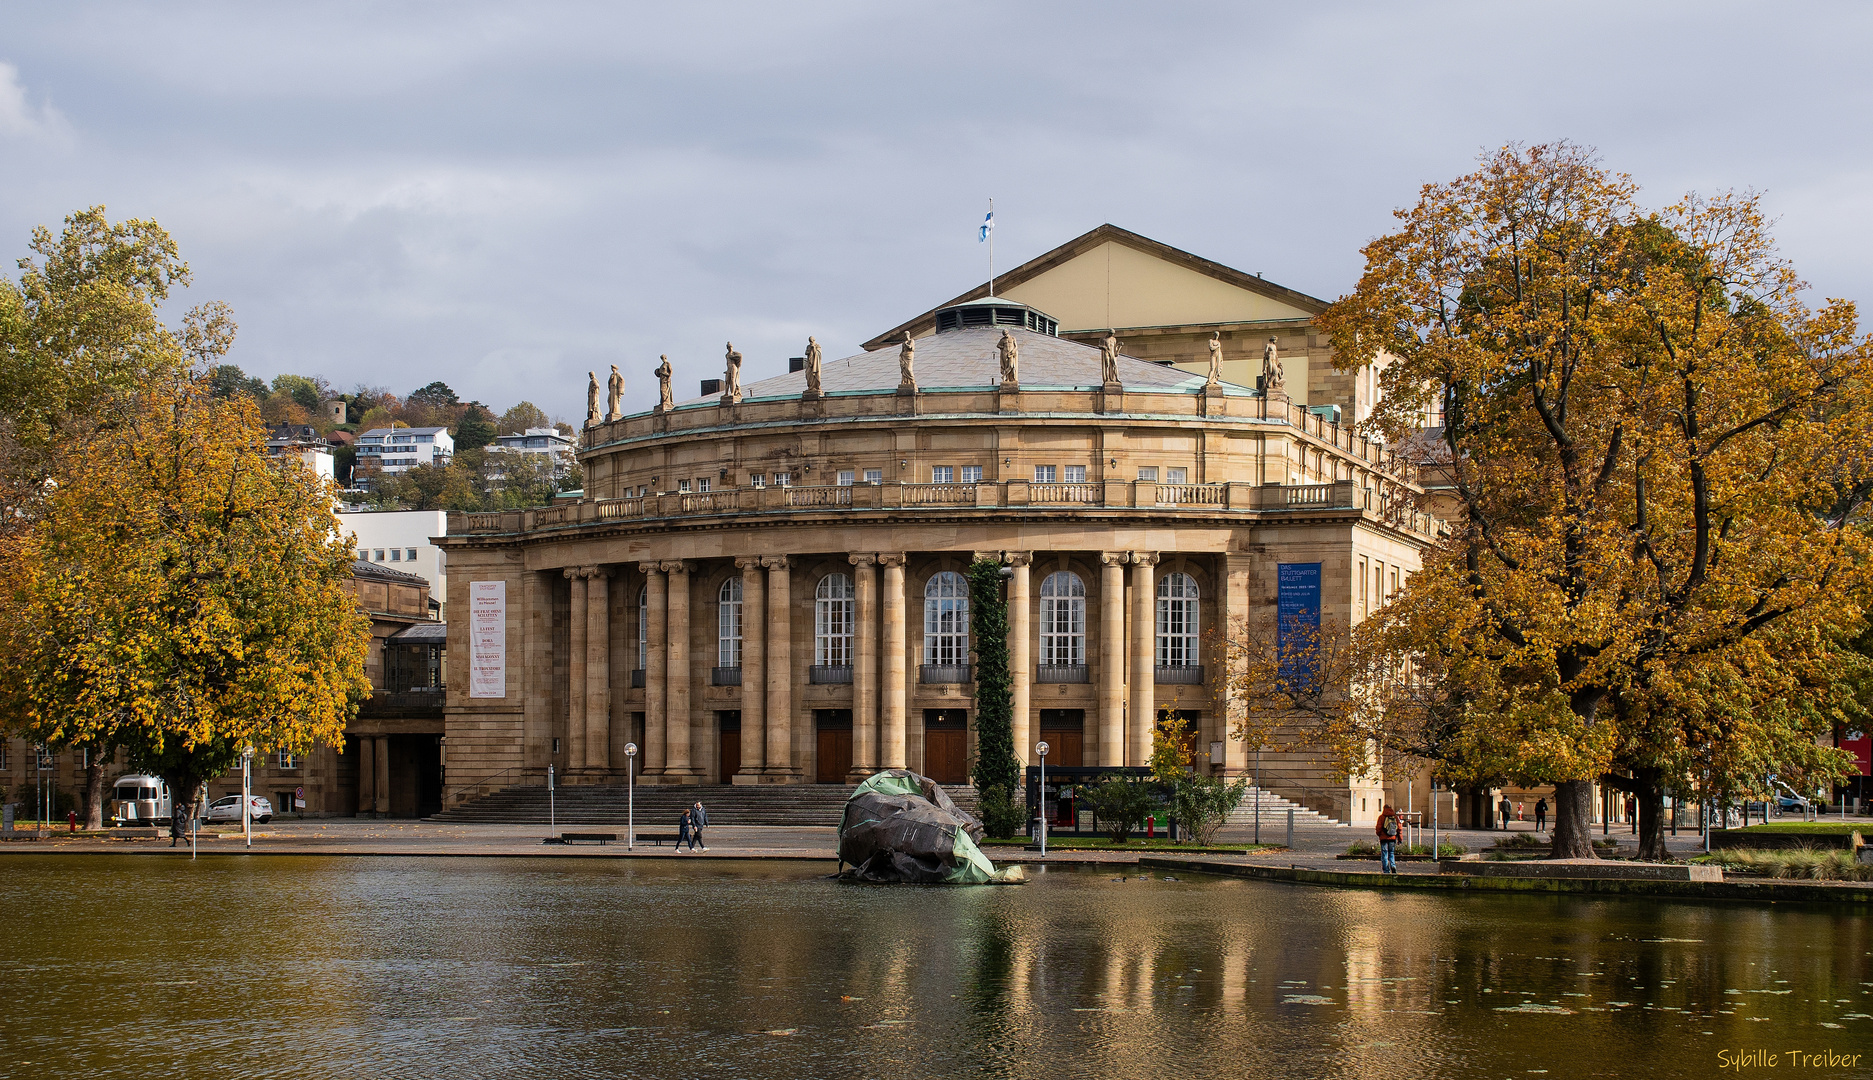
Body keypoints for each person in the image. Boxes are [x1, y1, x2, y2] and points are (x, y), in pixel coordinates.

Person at [1375, 804, 1402, 874]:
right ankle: (1393, 865)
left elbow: (1378, 828)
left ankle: (1386, 870)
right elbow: (1399, 828)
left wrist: (1379, 835)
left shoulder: (1381, 817)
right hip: (1392, 838)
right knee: (1391, 853)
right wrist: (1400, 839)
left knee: (1384, 854)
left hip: (1383, 838)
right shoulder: (1395, 817)